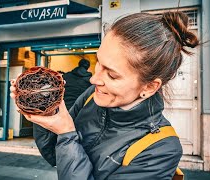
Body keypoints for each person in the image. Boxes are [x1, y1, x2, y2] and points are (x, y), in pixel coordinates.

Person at [10, 11, 199, 180]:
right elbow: (54, 155)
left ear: (149, 87)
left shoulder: (161, 150)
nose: (94, 80)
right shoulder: (93, 96)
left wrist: (67, 133)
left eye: (112, 75)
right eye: (98, 62)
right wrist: (42, 106)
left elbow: (66, 140)